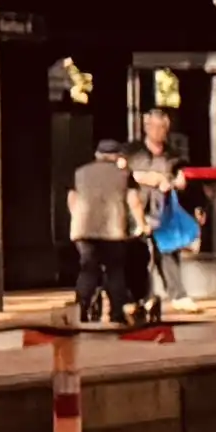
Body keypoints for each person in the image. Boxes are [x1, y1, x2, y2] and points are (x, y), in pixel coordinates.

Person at [65, 130, 142, 326]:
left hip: (83, 231)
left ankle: (80, 311)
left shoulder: (79, 172)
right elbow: (133, 200)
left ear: (97, 155)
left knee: (88, 269)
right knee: (115, 270)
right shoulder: (124, 175)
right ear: (117, 156)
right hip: (113, 232)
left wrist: (78, 219)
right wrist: (141, 224)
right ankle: (117, 313)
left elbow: (72, 199)